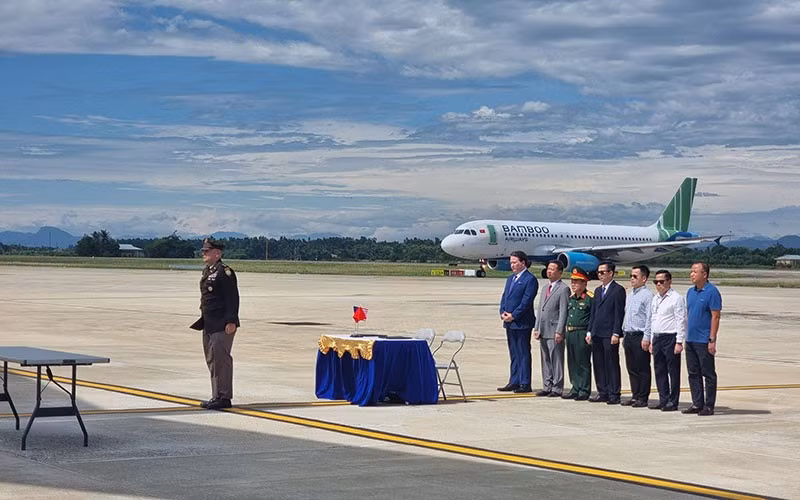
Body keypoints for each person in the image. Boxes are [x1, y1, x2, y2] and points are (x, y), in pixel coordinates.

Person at [190, 237, 240, 410]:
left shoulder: (224, 272)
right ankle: (217, 394)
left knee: (221, 360)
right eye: (203, 251)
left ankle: (224, 397)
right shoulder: (208, 270)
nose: (203, 253)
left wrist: (231, 320)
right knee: (212, 360)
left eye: (207, 251)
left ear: (217, 253)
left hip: (222, 324)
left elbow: (232, 298)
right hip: (209, 323)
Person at [683, 262, 722, 416]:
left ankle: (709, 405)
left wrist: (712, 340)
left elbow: (716, 317)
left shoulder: (712, 292)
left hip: (703, 340)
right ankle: (697, 403)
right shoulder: (690, 292)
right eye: (691, 271)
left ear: (704, 274)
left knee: (708, 373)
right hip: (691, 339)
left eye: (694, 271)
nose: (691, 274)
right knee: (693, 373)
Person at [498, 251, 539, 393]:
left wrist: (514, 315)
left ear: (523, 262)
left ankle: (525, 382)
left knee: (523, 352)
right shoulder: (510, 279)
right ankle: (514, 380)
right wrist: (502, 312)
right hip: (509, 322)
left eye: (515, 262)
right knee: (514, 353)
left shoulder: (530, 279)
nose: (512, 265)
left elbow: (526, 302)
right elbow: (505, 297)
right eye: (511, 262)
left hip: (522, 322)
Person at [587, 261, 626, 404]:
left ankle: (614, 393)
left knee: (611, 363)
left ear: (611, 273)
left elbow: (618, 313)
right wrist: (590, 331)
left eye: (603, 272)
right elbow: (594, 313)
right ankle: (602, 391)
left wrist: (616, 332)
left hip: (609, 333)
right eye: (598, 272)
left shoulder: (618, 290)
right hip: (597, 332)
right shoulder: (597, 290)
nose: (600, 275)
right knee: (598, 363)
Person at [647, 270, 685, 412]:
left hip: (670, 336)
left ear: (669, 282)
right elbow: (653, 319)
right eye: (656, 282)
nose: (658, 285)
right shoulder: (655, 298)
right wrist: (651, 339)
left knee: (673, 371)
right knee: (659, 370)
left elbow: (681, 320)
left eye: (661, 282)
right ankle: (663, 399)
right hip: (657, 337)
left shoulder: (676, 298)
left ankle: (673, 401)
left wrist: (679, 341)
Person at [533, 260, 570, 397]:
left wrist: (559, 331)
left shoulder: (563, 289)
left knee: (556, 359)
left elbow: (563, 312)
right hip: (543, 329)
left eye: (553, 269)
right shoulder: (545, 288)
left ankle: (557, 387)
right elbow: (540, 309)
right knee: (545, 360)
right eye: (548, 269)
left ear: (560, 272)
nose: (549, 271)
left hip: (554, 330)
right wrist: (536, 327)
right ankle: (547, 385)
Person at [621, 265, 654, 408]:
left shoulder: (647, 296)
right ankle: (635, 395)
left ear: (644, 278)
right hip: (628, 335)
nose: (631, 279)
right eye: (631, 276)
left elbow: (649, 319)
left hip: (640, 335)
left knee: (642, 368)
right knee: (632, 367)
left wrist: (647, 337)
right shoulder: (631, 294)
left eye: (635, 276)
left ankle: (643, 396)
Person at [563, 267, 593, 401]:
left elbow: (592, 317)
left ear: (584, 283)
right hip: (570, 332)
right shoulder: (572, 299)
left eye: (577, 282)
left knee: (582, 362)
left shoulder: (589, 298)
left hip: (582, 332)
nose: (574, 284)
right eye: (572, 281)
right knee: (572, 361)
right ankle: (575, 387)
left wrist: (590, 333)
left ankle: (584, 389)